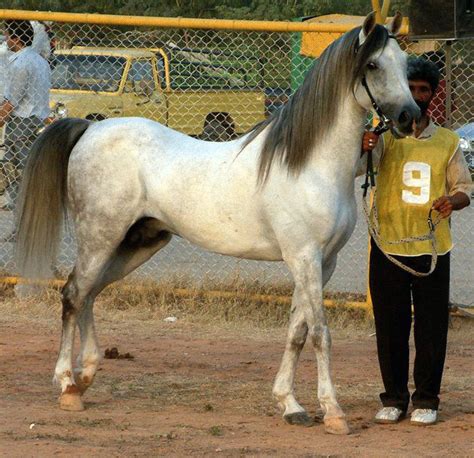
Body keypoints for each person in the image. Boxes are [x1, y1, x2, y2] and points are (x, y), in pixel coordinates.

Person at [361, 56, 472, 426]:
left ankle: (427, 399)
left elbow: (464, 189)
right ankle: (393, 398)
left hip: (431, 248)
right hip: (388, 245)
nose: (417, 95)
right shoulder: (384, 138)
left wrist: (452, 201)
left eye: (424, 90)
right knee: (390, 326)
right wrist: (365, 145)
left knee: (430, 327)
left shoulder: (448, 141)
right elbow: (361, 168)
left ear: (432, 94)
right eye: (411, 88)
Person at [0, 20, 51, 211]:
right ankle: (19, 206)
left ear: (16, 38)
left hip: (22, 120)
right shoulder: (40, 60)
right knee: (16, 165)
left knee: (18, 166)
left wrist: (0, 119)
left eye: (8, 35)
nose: (5, 39)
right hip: (39, 118)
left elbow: (12, 101)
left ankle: (26, 207)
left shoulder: (20, 63)